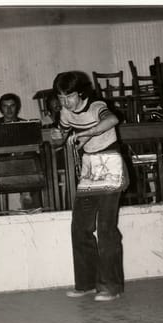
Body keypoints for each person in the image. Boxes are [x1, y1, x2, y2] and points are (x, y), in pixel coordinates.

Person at [53, 71, 129, 302]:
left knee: (106, 228)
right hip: (89, 167)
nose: (65, 102)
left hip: (110, 162)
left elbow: (112, 120)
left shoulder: (97, 106)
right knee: (80, 227)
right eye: (60, 97)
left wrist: (85, 134)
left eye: (69, 97)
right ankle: (86, 283)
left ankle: (111, 287)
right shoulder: (66, 112)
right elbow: (63, 138)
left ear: (81, 93)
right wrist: (59, 137)